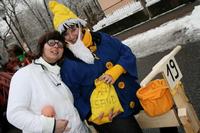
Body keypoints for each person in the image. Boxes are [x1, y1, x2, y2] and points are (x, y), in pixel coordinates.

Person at [49, 1, 143, 133]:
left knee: (166, 105)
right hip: (108, 113)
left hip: (131, 94)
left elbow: (126, 53)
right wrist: (90, 114)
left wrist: (117, 69)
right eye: (65, 34)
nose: (72, 36)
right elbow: (73, 96)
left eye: (73, 29)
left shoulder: (102, 38)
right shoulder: (67, 64)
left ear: (80, 25)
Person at [6, 31, 89, 133]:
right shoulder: (25, 74)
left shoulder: (60, 73)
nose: (56, 46)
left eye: (60, 44)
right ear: (42, 46)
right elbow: (14, 113)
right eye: (51, 42)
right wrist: (50, 126)